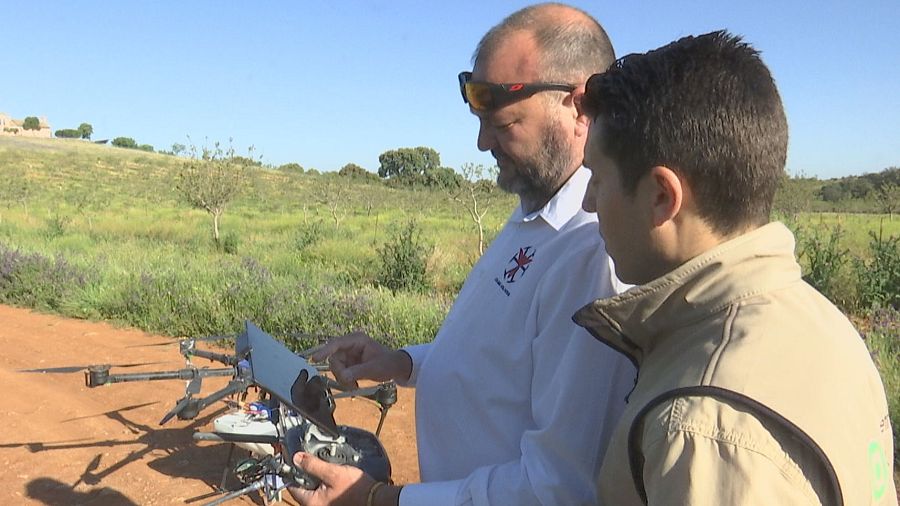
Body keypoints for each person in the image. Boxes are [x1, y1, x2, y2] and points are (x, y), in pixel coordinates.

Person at [289, 3, 636, 506]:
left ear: (579, 105)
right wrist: (401, 363)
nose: (480, 142)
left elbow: (558, 488)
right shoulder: (535, 216)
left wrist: (380, 500)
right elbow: (495, 366)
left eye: (503, 122)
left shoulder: (590, 252)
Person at [574, 30, 897, 505]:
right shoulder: (820, 320)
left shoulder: (703, 428)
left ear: (662, 197)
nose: (586, 201)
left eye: (597, 180)